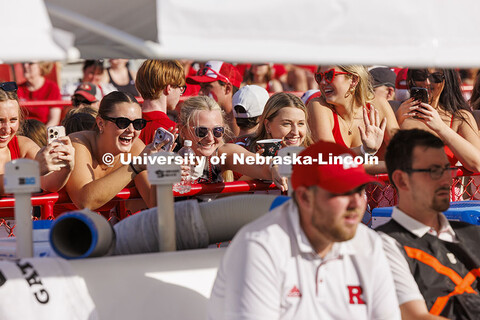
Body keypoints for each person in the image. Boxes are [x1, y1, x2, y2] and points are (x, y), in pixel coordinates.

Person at [208, 140, 401, 319]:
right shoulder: (259, 247)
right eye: (343, 191)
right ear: (305, 199)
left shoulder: (368, 243)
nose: (357, 202)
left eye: (360, 190)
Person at [377, 128, 479, 319]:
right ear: (401, 179)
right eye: (434, 171)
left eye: (447, 169)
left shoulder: (472, 233)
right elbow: (416, 316)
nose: (448, 179)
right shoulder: (384, 244)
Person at [65, 91, 163, 211]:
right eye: (123, 122)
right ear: (101, 123)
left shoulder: (135, 148)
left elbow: (155, 203)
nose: (131, 130)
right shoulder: (78, 143)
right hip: (65, 225)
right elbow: (85, 200)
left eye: (138, 124)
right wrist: (135, 167)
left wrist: (163, 173)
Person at [177, 95, 287, 190]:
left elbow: (259, 165)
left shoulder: (222, 154)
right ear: (183, 131)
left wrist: (274, 166)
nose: (210, 138)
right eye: (201, 131)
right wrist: (163, 175)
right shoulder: (168, 153)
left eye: (217, 131)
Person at [307, 65, 399, 166]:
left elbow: (403, 152)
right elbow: (330, 159)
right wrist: (364, 151)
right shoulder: (318, 106)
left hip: (377, 180)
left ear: (354, 80)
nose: (322, 83)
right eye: (319, 77)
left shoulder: (378, 104)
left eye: (329, 76)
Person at [396, 68, 480, 172]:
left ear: (446, 80)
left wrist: (441, 128)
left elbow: (477, 164)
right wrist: (397, 120)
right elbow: (376, 159)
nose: (427, 82)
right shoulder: (395, 110)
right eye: (420, 75)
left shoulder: (459, 118)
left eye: (436, 77)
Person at [0, 81, 75, 195]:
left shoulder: (22, 145)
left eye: (13, 120)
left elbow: (49, 183)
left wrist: (65, 167)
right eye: (0, 120)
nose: (7, 129)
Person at [135, 60, 185, 145]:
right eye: (180, 87)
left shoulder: (125, 125)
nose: (181, 92)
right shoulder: (172, 130)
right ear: (168, 88)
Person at [186, 61, 243, 136]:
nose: (200, 92)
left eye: (207, 86)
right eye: (201, 86)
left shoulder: (244, 120)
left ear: (227, 89)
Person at [247, 92, 313, 151]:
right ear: (268, 125)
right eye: (287, 124)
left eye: (300, 123)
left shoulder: (315, 157)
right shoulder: (245, 153)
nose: (295, 132)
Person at [16, 62, 63, 126]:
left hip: (43, 132)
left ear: (41, 66)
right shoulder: (17, 89)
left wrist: (42, 134)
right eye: (24, 62)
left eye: (30, 63)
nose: (25, 65)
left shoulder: (52, 88)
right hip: (22, 132)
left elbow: (54, 120)